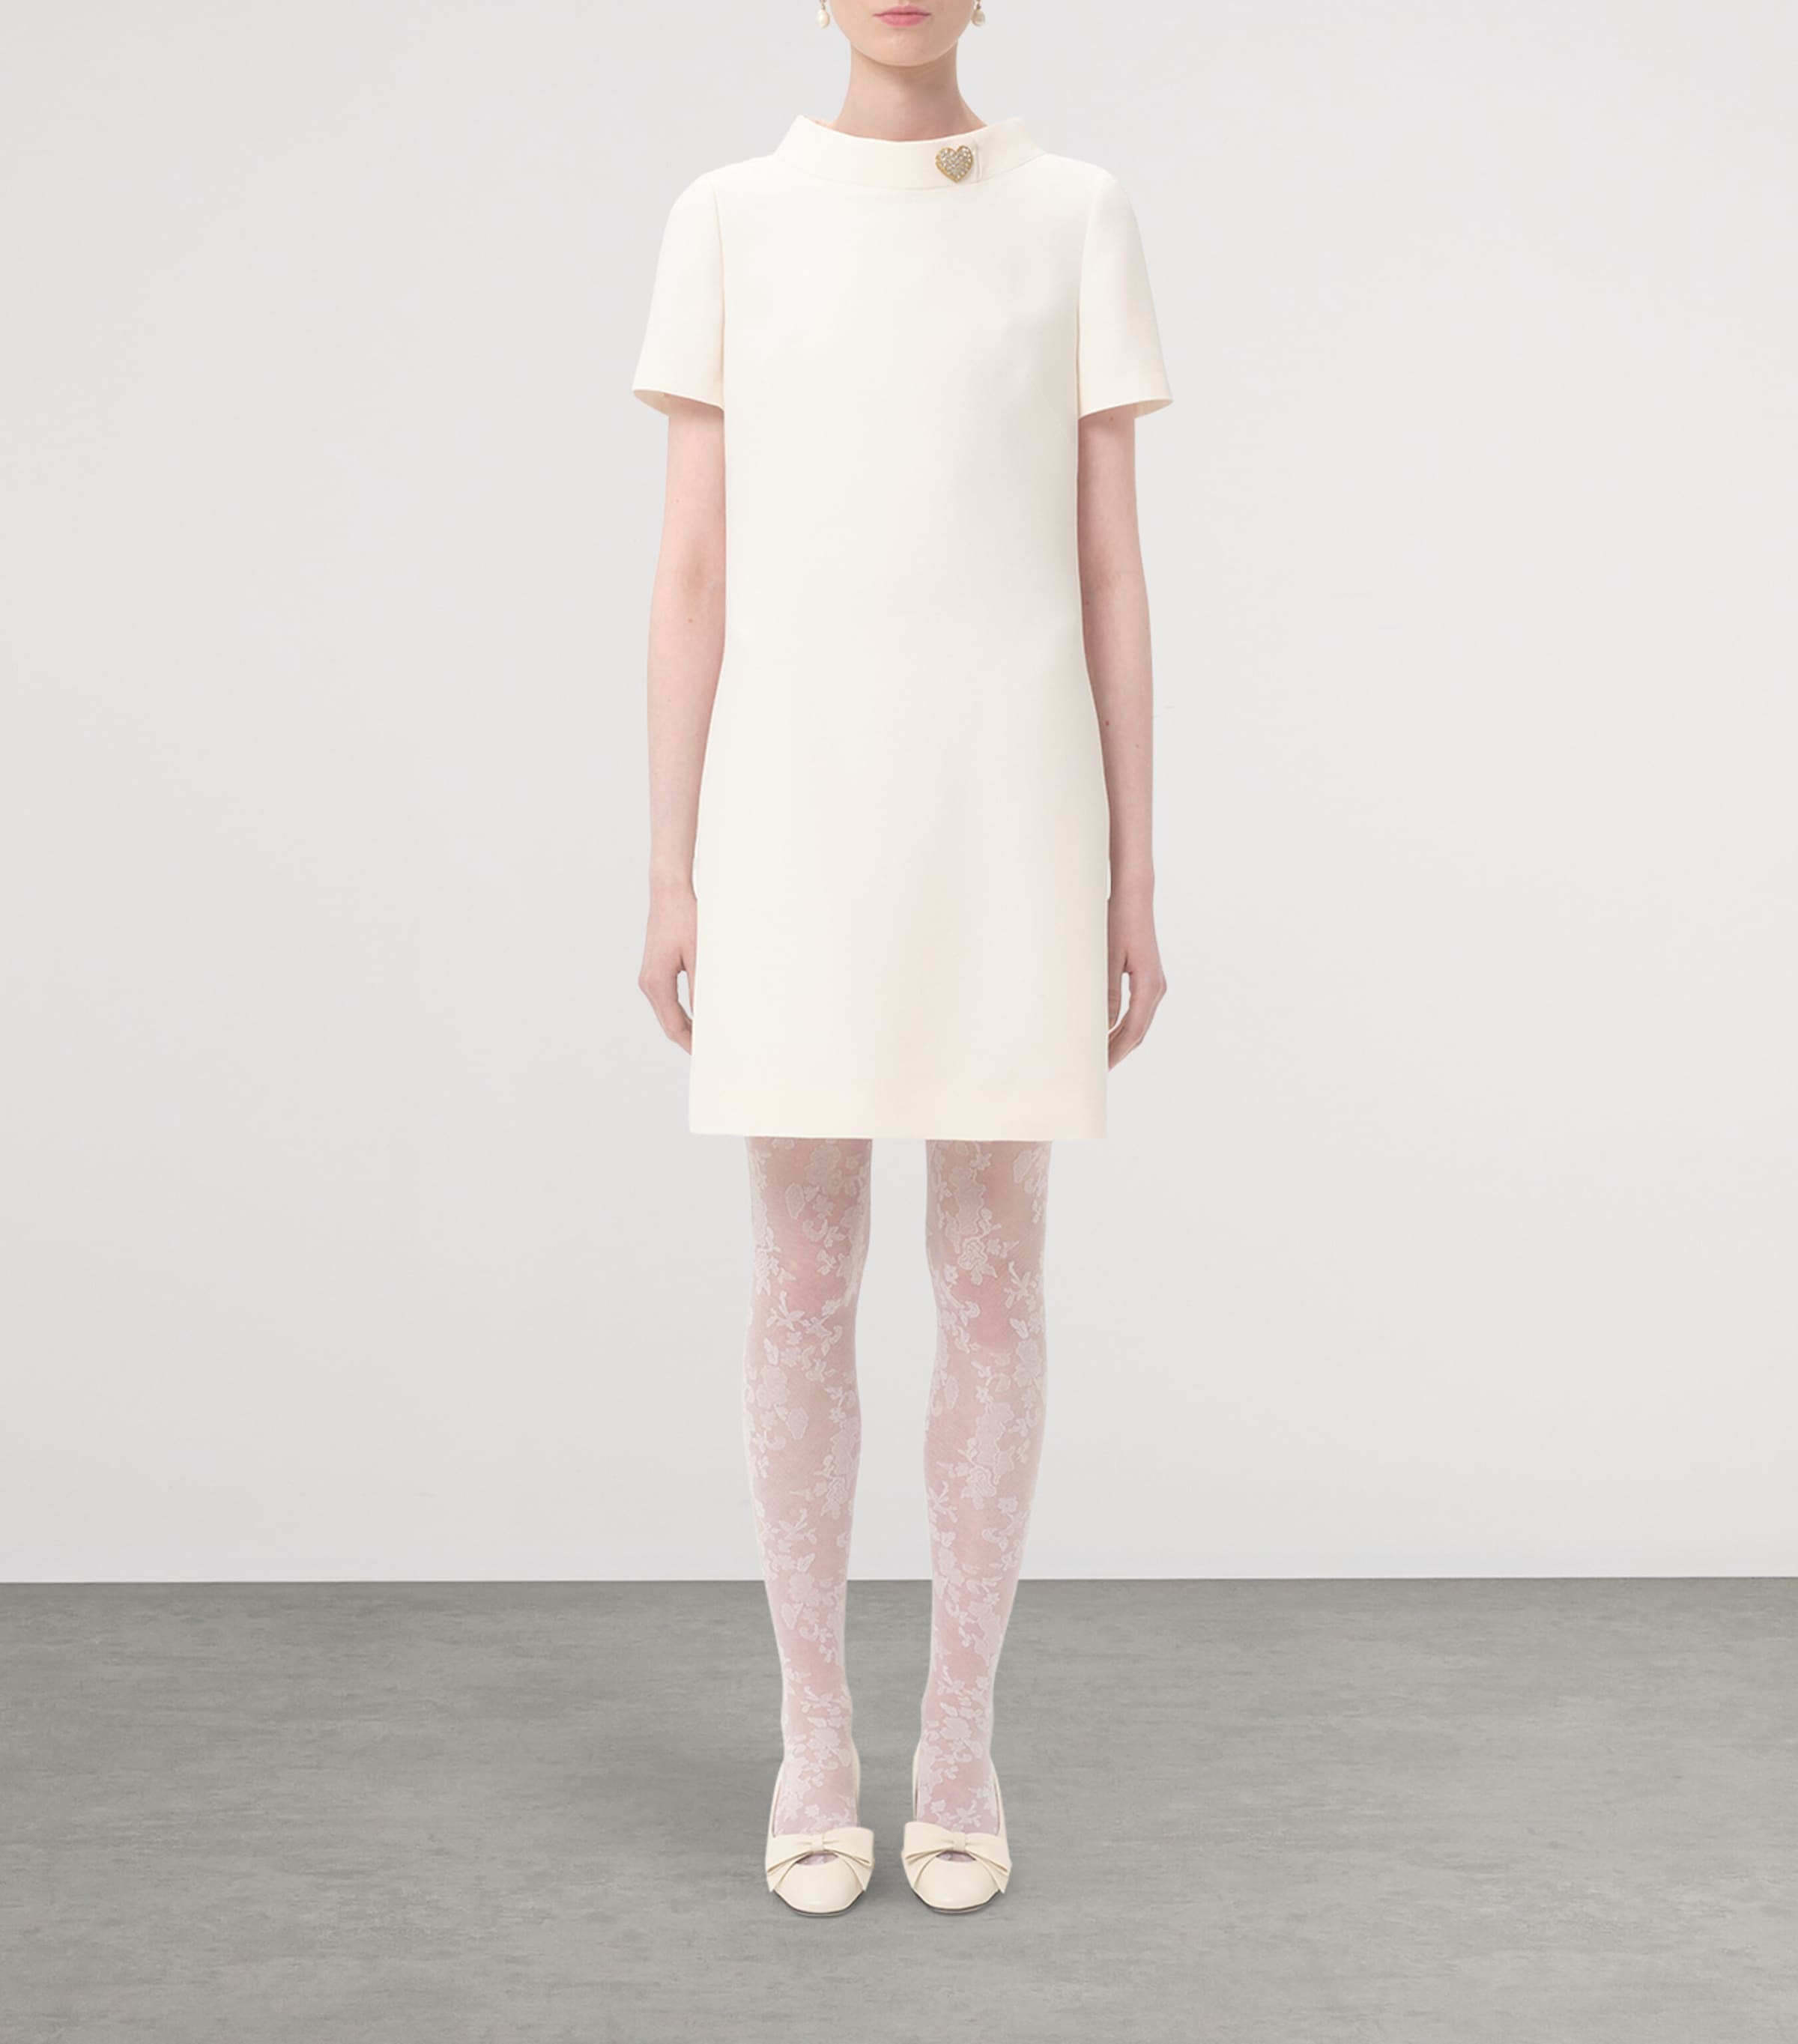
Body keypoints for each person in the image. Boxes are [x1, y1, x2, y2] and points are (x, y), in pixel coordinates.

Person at [632, 0, 1170, 1916]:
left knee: (994, 1270)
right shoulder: (729, 216)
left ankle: (957, 1748)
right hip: (797, 805)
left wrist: (1131, 872)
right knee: (800, 1267)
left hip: (1006, 799)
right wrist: (671, 866)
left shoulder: (1074, 211)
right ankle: (812, 1742)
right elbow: (693, 570)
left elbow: (1109, 570)